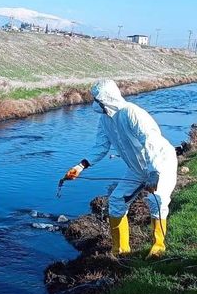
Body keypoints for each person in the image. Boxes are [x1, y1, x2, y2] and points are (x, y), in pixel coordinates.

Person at [63, 79, 178, 258]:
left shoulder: (131, 113)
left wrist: (154, 172)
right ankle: (121, 251)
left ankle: (158, 246)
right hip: (136, 168)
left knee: (158, 200)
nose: (96, 103)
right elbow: (100, 146)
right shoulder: (105, 120)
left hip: (161, 163)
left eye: (98, 100)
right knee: (117, 201)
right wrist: (80, 166)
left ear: (108, 98)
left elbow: (150, 141)